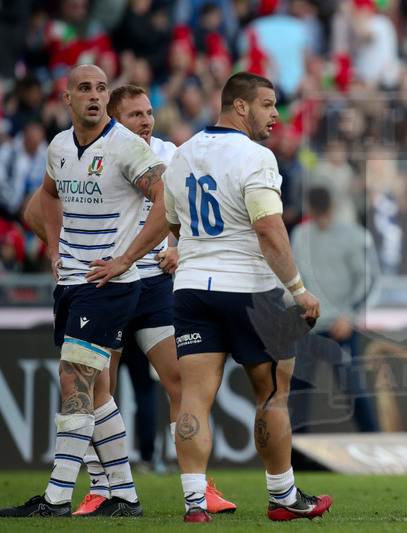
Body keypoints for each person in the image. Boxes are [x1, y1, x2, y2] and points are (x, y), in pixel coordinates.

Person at [162, 71, 332, 523]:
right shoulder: (256, 157)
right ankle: (282, 496)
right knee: (271, 395)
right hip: (249, 291)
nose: (276, 115)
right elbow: (268, 229)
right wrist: (298, 290)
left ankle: (195, 502)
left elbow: (175, 226)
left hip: (193, 289)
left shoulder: (181, 156)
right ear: (240, 106)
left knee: (195, 397)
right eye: (268, 105)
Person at [0, 64, 168, 518]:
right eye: (84, 89)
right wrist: (54, 249)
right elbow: (47, 197)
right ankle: (126, 496)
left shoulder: (127, 147)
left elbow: (167, 199)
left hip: (110, 284)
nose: (94, 96)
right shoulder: (58, 146)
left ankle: (56, 497)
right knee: (97, 394)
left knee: (74, 377)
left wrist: (126, 259)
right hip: (73, 280)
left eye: (101, 88)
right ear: (67, 97)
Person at [289, 186, 379, 433]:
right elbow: (291, 279)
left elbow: (369, 280)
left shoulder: (354, 236)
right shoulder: (300, 235)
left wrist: (350, 316)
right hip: (307, 326)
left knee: (354, 390)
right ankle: (294, 457)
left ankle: (374, 443)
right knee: (297, 392)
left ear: (333, 207)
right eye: (316, 214)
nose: (321, 220)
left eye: (323, 213)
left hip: (341, 326)